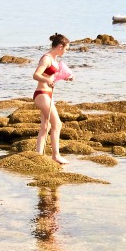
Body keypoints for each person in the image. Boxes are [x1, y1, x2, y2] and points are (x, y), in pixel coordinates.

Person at [32, 34, 73, 165]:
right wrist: (47, 79)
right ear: (60, 46)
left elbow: (51, 76)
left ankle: (38, 155)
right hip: (41, 93)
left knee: (46, 126)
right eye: (66, 48)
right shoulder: (47, 58)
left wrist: (65, 77)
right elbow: (36, 75)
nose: (66, 51)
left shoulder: (55, 60)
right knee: (58, 124)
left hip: (48, 94)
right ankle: (56, 156)